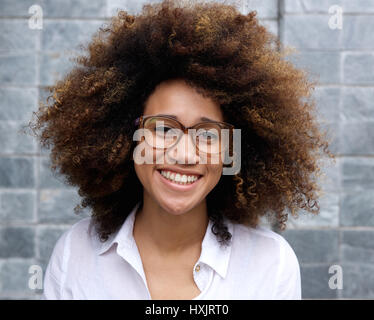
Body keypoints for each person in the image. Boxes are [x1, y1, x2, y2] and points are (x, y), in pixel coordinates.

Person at [27, 0, 335, 300]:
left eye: (208, 135)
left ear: (233, 148)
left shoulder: (271, 264)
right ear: (128, 134)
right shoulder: (74, 255)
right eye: (163, 129)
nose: (185, 155)